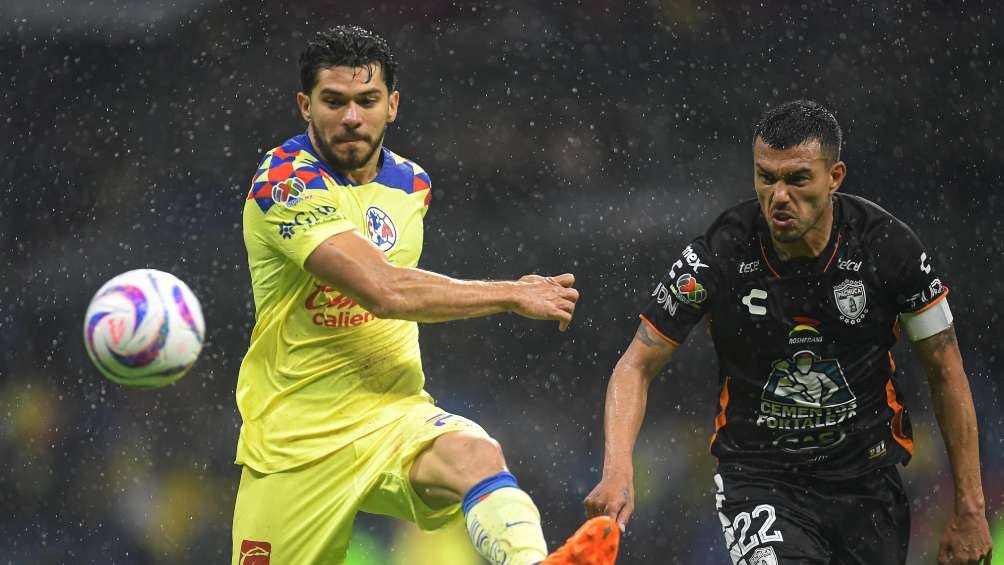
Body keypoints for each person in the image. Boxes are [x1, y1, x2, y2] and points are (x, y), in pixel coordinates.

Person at [232, 25, 619, 565]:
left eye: (367, 101)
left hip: (392, 413)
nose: (351, 117)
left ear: (392, 105)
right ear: (305, 105)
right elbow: (385, 290)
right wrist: (511, 293)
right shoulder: (284, 182)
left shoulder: (411, 184)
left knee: (477, 456)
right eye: (333, 101)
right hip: (296, 441)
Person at [584, 100, 992, 564]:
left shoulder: (888, 247)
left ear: (834, 177)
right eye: (766, 177)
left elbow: (945, 367)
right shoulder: (719, 253)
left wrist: (971, 507)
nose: (779, 195)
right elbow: (635, 364)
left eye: (797, 179)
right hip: (760, 483)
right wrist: (617, 468)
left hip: (867, 484)